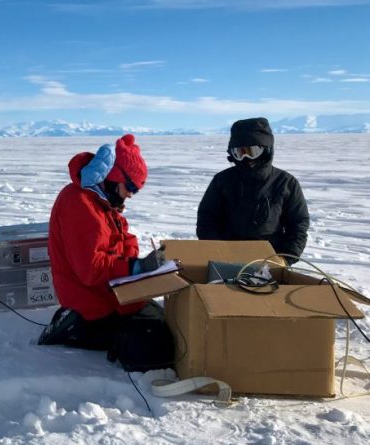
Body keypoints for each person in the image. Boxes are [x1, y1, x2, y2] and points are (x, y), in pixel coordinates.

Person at [39, 134, 173, 372]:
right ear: (113, 177)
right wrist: (135, 267)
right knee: (155, 335)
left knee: (162, 320)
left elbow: (125, 238)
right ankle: (74, 326)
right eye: (130, 187)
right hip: (92, 303)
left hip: (108, 292)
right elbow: (91, 270)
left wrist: (134, 263)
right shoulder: (80, 204)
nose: (130, 194)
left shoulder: (100, 201)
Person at [197, 117, 309, 263]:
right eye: (239, 152)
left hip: (270, 259)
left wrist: (286, 258)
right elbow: (207, 218)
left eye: (251, 151)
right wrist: (219, 250)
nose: (246, 157)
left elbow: (298, 224)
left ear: (266, 150)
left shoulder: (285, 182)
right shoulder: (222, 181)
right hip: (226, 258)